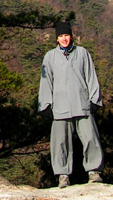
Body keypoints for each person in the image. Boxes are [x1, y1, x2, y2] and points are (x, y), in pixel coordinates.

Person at [38, 20, 103, 187]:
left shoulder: (82, 53)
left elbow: (91, 77)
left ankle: (94, 172)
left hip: (82, 104)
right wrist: (45, 105)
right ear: (56, 39)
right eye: (60, 36)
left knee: (90, 138)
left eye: (66, 35)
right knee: (60, 143)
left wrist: (94, 100)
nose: (64, 39)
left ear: (71, 36)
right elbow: (46, 82)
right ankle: (62, 175)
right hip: (60, 107)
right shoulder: (50, 57)